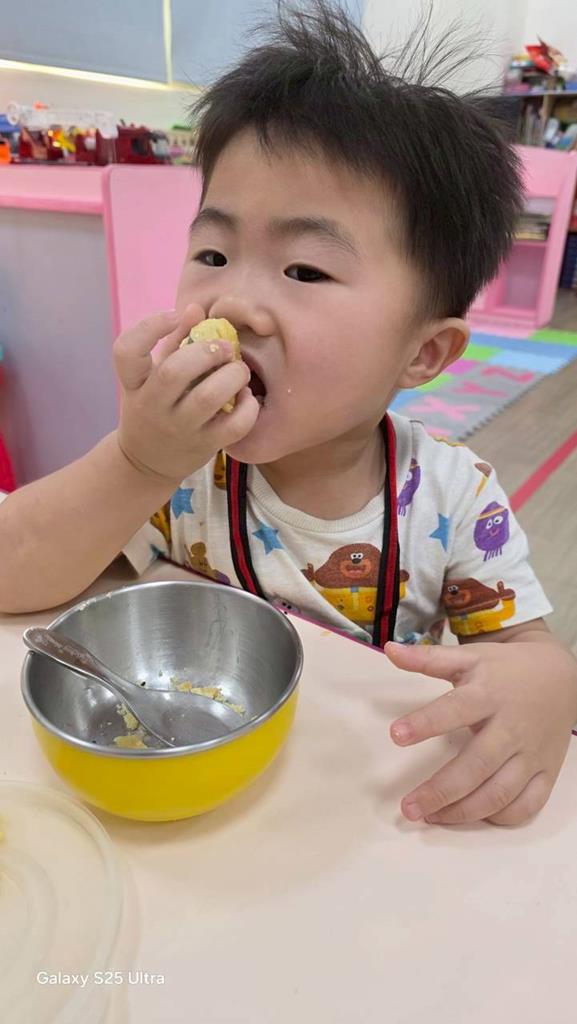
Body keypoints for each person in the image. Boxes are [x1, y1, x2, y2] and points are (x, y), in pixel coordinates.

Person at [1, 2, 576, 825]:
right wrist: (136, 462)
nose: (231, 302)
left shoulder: (455, 499)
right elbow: (15, 571)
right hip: (203, 797)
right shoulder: (176, 469)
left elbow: (523, 652)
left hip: (363, 806)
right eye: (212, 253)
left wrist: (545, 683)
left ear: (421, 354)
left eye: (304, 270)